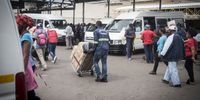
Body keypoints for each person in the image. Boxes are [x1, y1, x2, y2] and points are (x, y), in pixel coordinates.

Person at [16, 15, 40, 100]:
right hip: (27, 64)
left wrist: (22, 70)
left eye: (17, 24)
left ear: (21, 25)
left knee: (28, 90)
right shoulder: (23, 35)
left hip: (26, 66)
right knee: (28, 90)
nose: (16, 26)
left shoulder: (26, 36)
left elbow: (25, 55)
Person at [160, 23, 185, 88]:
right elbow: (183, 44)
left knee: (173, 69)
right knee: (170, 66)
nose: (167, 32)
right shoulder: (179, 36)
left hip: (171, 55)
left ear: (171, 31)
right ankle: (166, 79)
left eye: (168, 31)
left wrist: (162, 53)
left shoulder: (171, 37)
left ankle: (176, 83)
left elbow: (166, 47)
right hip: (177, 55)